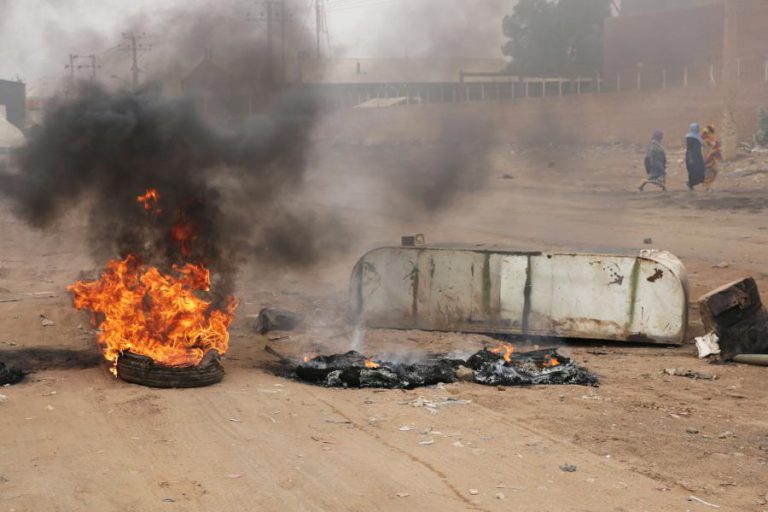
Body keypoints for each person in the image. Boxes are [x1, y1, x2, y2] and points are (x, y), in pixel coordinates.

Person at [685, 123, 706, 190]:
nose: (698, 129)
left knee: (701, 169)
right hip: (692, 157)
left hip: (698, 156)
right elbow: (689, 149)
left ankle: (705, 184)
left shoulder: (698, 136)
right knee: (693, 171)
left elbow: (703, 144)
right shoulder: (689, 138)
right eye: (697, 128)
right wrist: (690, 158)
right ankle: (691, 184)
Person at [701, 124, 722, 191]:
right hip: (709, 157)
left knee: (714, 171)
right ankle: (707, 186)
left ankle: (708, 186)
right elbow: (707, 146)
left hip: (713, 158)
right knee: (709, 171)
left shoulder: (713, 138)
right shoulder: (706, 139)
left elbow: (716, 146)